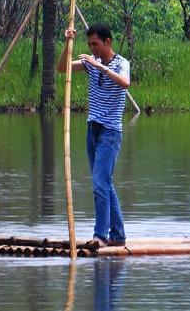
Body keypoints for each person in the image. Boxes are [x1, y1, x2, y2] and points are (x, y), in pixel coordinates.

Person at [58, 24, 131, 248]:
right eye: (89, 45)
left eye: (96, 44)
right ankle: (117, 235)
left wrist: (99, 67)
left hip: (110, 132)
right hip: (93, 129)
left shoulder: (121, 63)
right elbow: (63, 69)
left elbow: (125, 83)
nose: (93, 49)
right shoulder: (92, 63)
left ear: (108, 42)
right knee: (104, 183)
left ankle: (100, 235)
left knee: (100, 183)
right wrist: (67, 43)